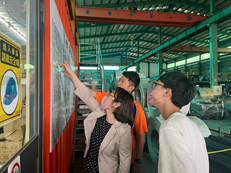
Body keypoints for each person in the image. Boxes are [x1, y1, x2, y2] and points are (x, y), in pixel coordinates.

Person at [59, 61, 134, 173]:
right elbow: (85, 94)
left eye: (110, 96)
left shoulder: (123, 130)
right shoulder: (100, 113)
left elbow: (125, 164)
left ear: (117, 104)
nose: (105, 97)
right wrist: (70, 73)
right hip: (89, 167)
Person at [147, 72, 209, 173]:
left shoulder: (170, 127)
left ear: (167, 92)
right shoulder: (188, 124)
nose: (152, 90)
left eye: (156, 86)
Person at [87, 71, 148, 173]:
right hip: (106, 154)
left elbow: (141, 135)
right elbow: (90, 93)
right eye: (119, 80)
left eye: (122, 81)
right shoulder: (110, 97)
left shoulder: (137, 108)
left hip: (126, 156)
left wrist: (138, 160)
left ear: (131, 88)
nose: (118, 83)